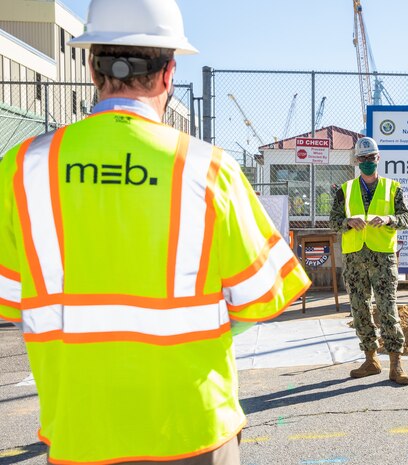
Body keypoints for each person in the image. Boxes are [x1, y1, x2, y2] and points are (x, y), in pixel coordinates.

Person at [0, 0, 310, 463]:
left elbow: (12, 297)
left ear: (90, 66)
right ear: (168, 73)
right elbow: (259, 299)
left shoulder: (22, 169)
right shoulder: (209, 169)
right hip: (194, 429)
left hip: (81, 434)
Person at [329, 137, 408, 385]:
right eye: (362, 159)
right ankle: (370, 360)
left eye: (371, 158)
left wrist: (388, 219)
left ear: (378, 158)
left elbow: (406, 218)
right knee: (360, 309)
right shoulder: (345, 190)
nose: (367, 162)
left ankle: (396, 364)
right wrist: (347, 222)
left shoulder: (393, 188)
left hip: (383, 257)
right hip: (355, 258)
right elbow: (333, 221)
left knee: (387, 307)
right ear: (356, 161)